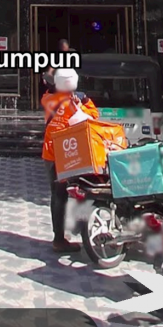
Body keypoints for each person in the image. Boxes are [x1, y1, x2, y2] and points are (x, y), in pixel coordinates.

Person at [41, 68, 99, 253]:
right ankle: (62, 238)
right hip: (68, 154)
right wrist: (84, 100)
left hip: (50, 154)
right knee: (75, 192)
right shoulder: (73, 102)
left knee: (57, 195)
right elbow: (93, 116)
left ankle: (59, 236)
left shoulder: (47, 98)